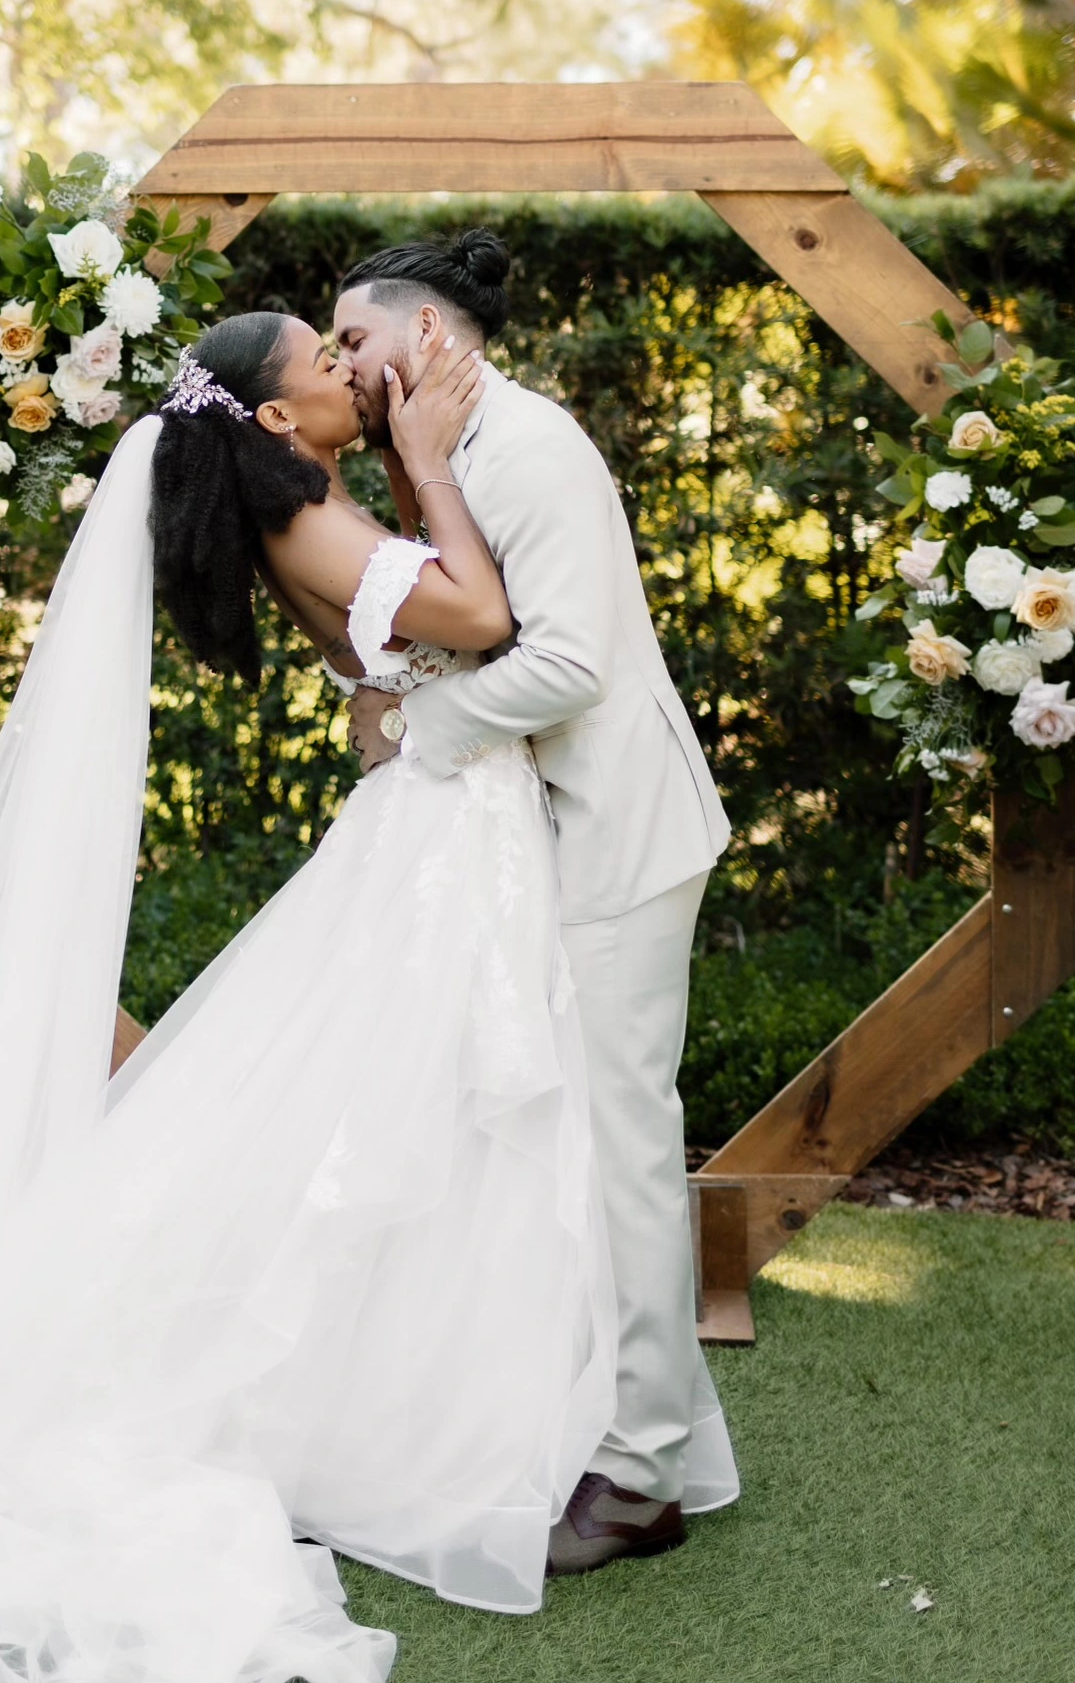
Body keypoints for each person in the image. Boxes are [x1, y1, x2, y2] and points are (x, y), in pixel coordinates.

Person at [0, 303, 732, 1683]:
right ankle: (492, 1426)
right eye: (325, 360)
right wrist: (423, 458)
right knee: (412, 1120)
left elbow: (404, 656)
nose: (352, 371)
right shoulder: (314, 515)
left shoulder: (314, 497)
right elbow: (477, 618)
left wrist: (406, 527)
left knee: (438, 1121)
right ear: (279, 422)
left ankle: (513, 1405)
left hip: (469, 832)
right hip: (447, 838)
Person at [332, 230, 737, 1574]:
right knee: (560, 1144)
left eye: (353, 340)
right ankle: (599, 1423)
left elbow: (564, 664)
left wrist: (420, 728)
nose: (343, 364)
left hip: (618, 838)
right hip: (546, 840)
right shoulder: (447, 453)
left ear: (431, 338)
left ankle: (637, 1479)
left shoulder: (536, 447)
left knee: (624, 1150)